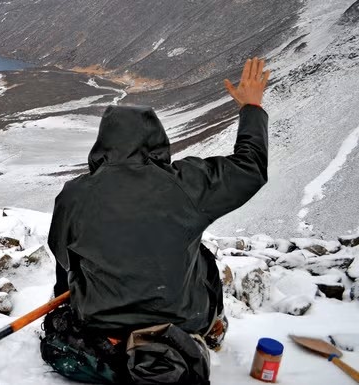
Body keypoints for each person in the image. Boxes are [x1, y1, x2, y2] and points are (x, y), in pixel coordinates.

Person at [43, 58, 270, 383]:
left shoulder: (75, 194)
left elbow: (63, 256)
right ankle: (212, 330)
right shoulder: (187, 183)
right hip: (185, 320)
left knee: (74, 262)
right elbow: (250, 169)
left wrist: (67, 298)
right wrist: (252, 107)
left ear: (103, 142)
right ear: (157, 139)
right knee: (202, 256)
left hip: (101, 323)